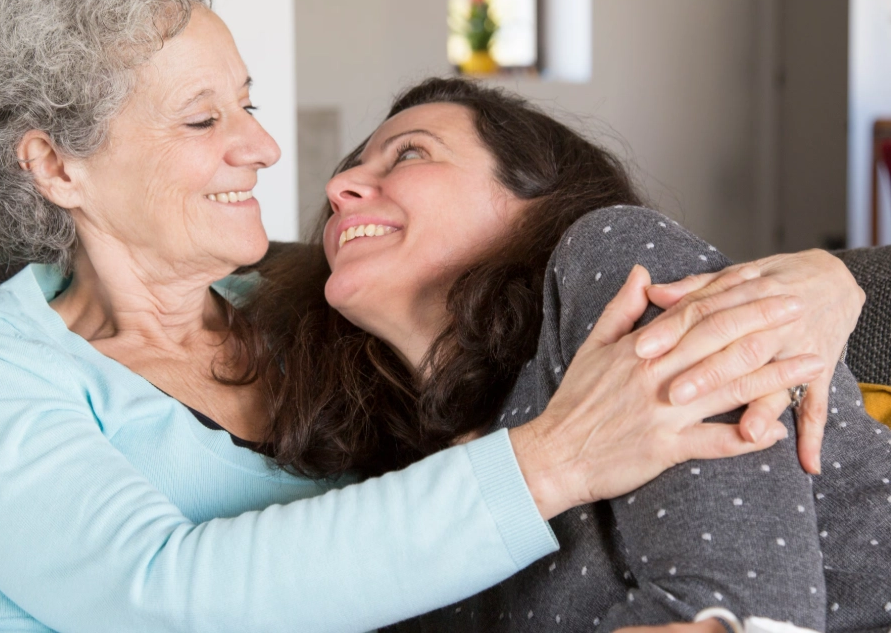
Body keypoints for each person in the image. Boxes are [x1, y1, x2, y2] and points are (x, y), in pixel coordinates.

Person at [0, 0, 861, 633]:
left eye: (249, 105)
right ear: (55, 166)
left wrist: (825, 283)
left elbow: (541, 321)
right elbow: (157, 594)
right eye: (203, 119)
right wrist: (555, 459)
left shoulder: (311, 314)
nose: (265, 150)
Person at [233, 77, 889, 631]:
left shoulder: (614, 259)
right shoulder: (406, 482)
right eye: (348, 170)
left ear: (534, 201)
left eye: (409, 153)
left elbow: (741, 614)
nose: (343, 184)